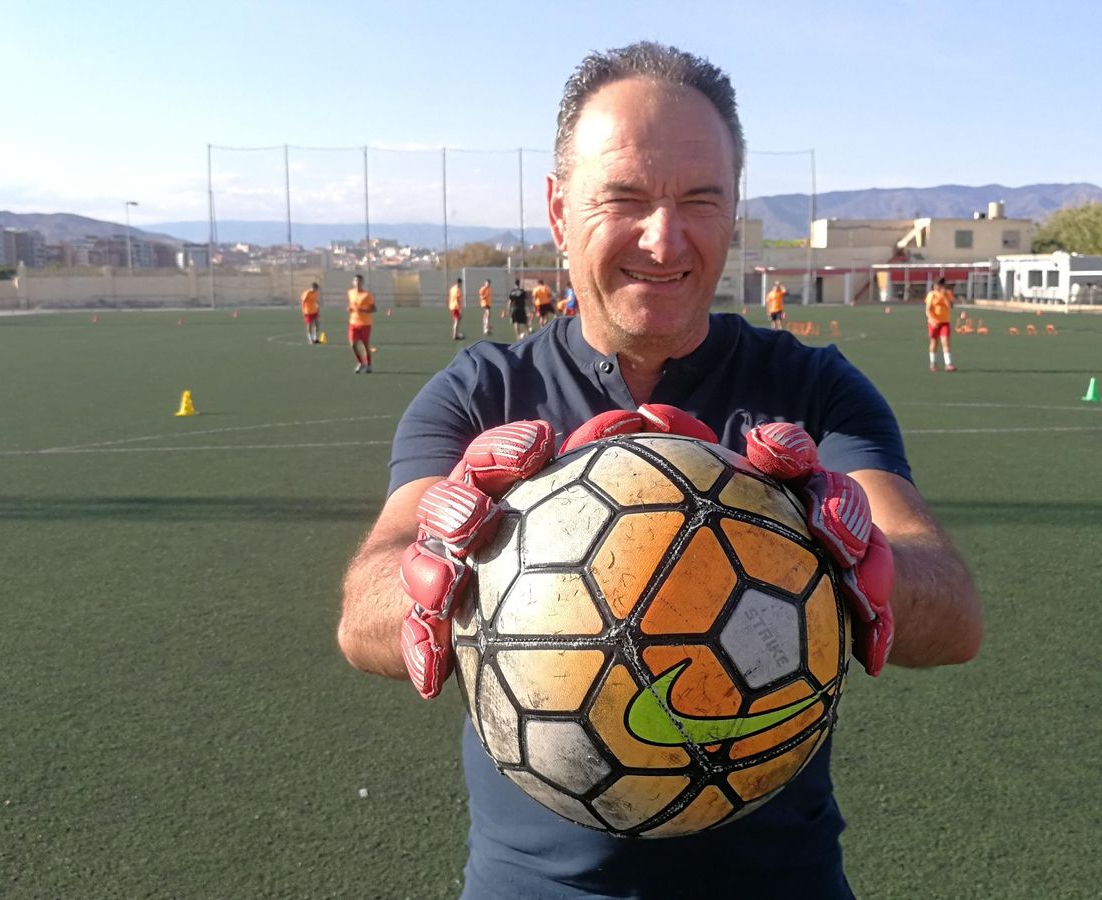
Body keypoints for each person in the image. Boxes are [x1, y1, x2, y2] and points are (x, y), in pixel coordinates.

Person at [338, 41, 981, 900]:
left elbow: (954, 614)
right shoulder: (482, 395)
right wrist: (444, 563)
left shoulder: (813, 393)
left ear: (734, 212)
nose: (664, 238)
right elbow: (363, 617)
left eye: (700, 200)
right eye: (625, 198)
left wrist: (862, 557)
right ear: (560, 210)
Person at [347, 274, 376, 374]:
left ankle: (369, 365)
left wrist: (363, 310)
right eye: (356, 281)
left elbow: (374, 308)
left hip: (365, 323)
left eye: (359, 281)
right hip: (353, 322)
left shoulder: (367, 295)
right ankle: (360, 362)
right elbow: (351, 305)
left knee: (365, 344)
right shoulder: (350, 293)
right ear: (353, 282)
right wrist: (350, 309)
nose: (358, 283)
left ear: (362, 283)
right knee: (352, 344)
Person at [926, 277, 955, 372]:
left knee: (945, 342)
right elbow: (928, 309)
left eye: (939, 285)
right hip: (934, 323)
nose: (937, 287)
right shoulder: (932, 295)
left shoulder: (948, 293)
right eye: (936, 285)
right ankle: (933, 363)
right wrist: (931, 320)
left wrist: (944, 296)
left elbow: (951, 306)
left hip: (945, 322)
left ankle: (948, 364)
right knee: (934, 343)